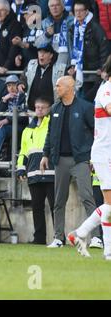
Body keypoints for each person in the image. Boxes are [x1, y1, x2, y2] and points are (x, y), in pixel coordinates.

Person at [40, 76, 98, 248]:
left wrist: (94, 155)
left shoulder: (86, 107)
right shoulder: (55, 108)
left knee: (88, 198)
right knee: (59, 201)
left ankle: (96, 238)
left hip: (81, 160)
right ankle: (59, 237)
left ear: (69, 87)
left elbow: (98, 132)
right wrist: (45, 155)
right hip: (60, 160)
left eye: (58, 86)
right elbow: (50, 133)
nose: (56, 88)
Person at [67, 57, 111, 260]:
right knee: (110, 204)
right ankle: (108, 251)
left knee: (110, 204)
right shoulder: (106, 88)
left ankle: (80, 233)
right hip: (104, 153)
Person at [17, 97, 55, 245]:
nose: (39, 110)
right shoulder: (28, 130)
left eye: (42, 107)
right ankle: (39, 238)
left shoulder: (52, 125)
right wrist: (21, 169)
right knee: (37, 207)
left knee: (54, 207)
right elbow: (23, 152)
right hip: (33, 173)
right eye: (37, 107)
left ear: (48, 109)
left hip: (51, 172)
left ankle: (59, 237)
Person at [67, 0, 108, 98]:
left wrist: (103, 67)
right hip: (79, 71)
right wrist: (70, 66)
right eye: (76, 11)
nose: (78, 13)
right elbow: (71, 49)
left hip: (94, 72)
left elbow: (104, 48)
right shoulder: (72, 28)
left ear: (86, 11)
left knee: (88, 100)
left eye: (81, 10)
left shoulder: (95, 27)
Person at [19, 43, 67, 111]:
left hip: (52, 110)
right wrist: (21, 83)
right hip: (32, 110)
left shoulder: (61, 68)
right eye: (40, 52)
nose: (41, 55)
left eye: (44, 52)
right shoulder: (31, 64)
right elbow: (23, 77)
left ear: (51, 55)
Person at [35, 0, 74, 66]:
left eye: (57, 5)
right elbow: (36, 44)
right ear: (49, 8)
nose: (54, 8)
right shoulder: (43, 23)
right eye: (52, 6)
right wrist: (46, 35)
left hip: (69, 65)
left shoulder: (72, 21)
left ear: (63, 6)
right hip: (50, 65)